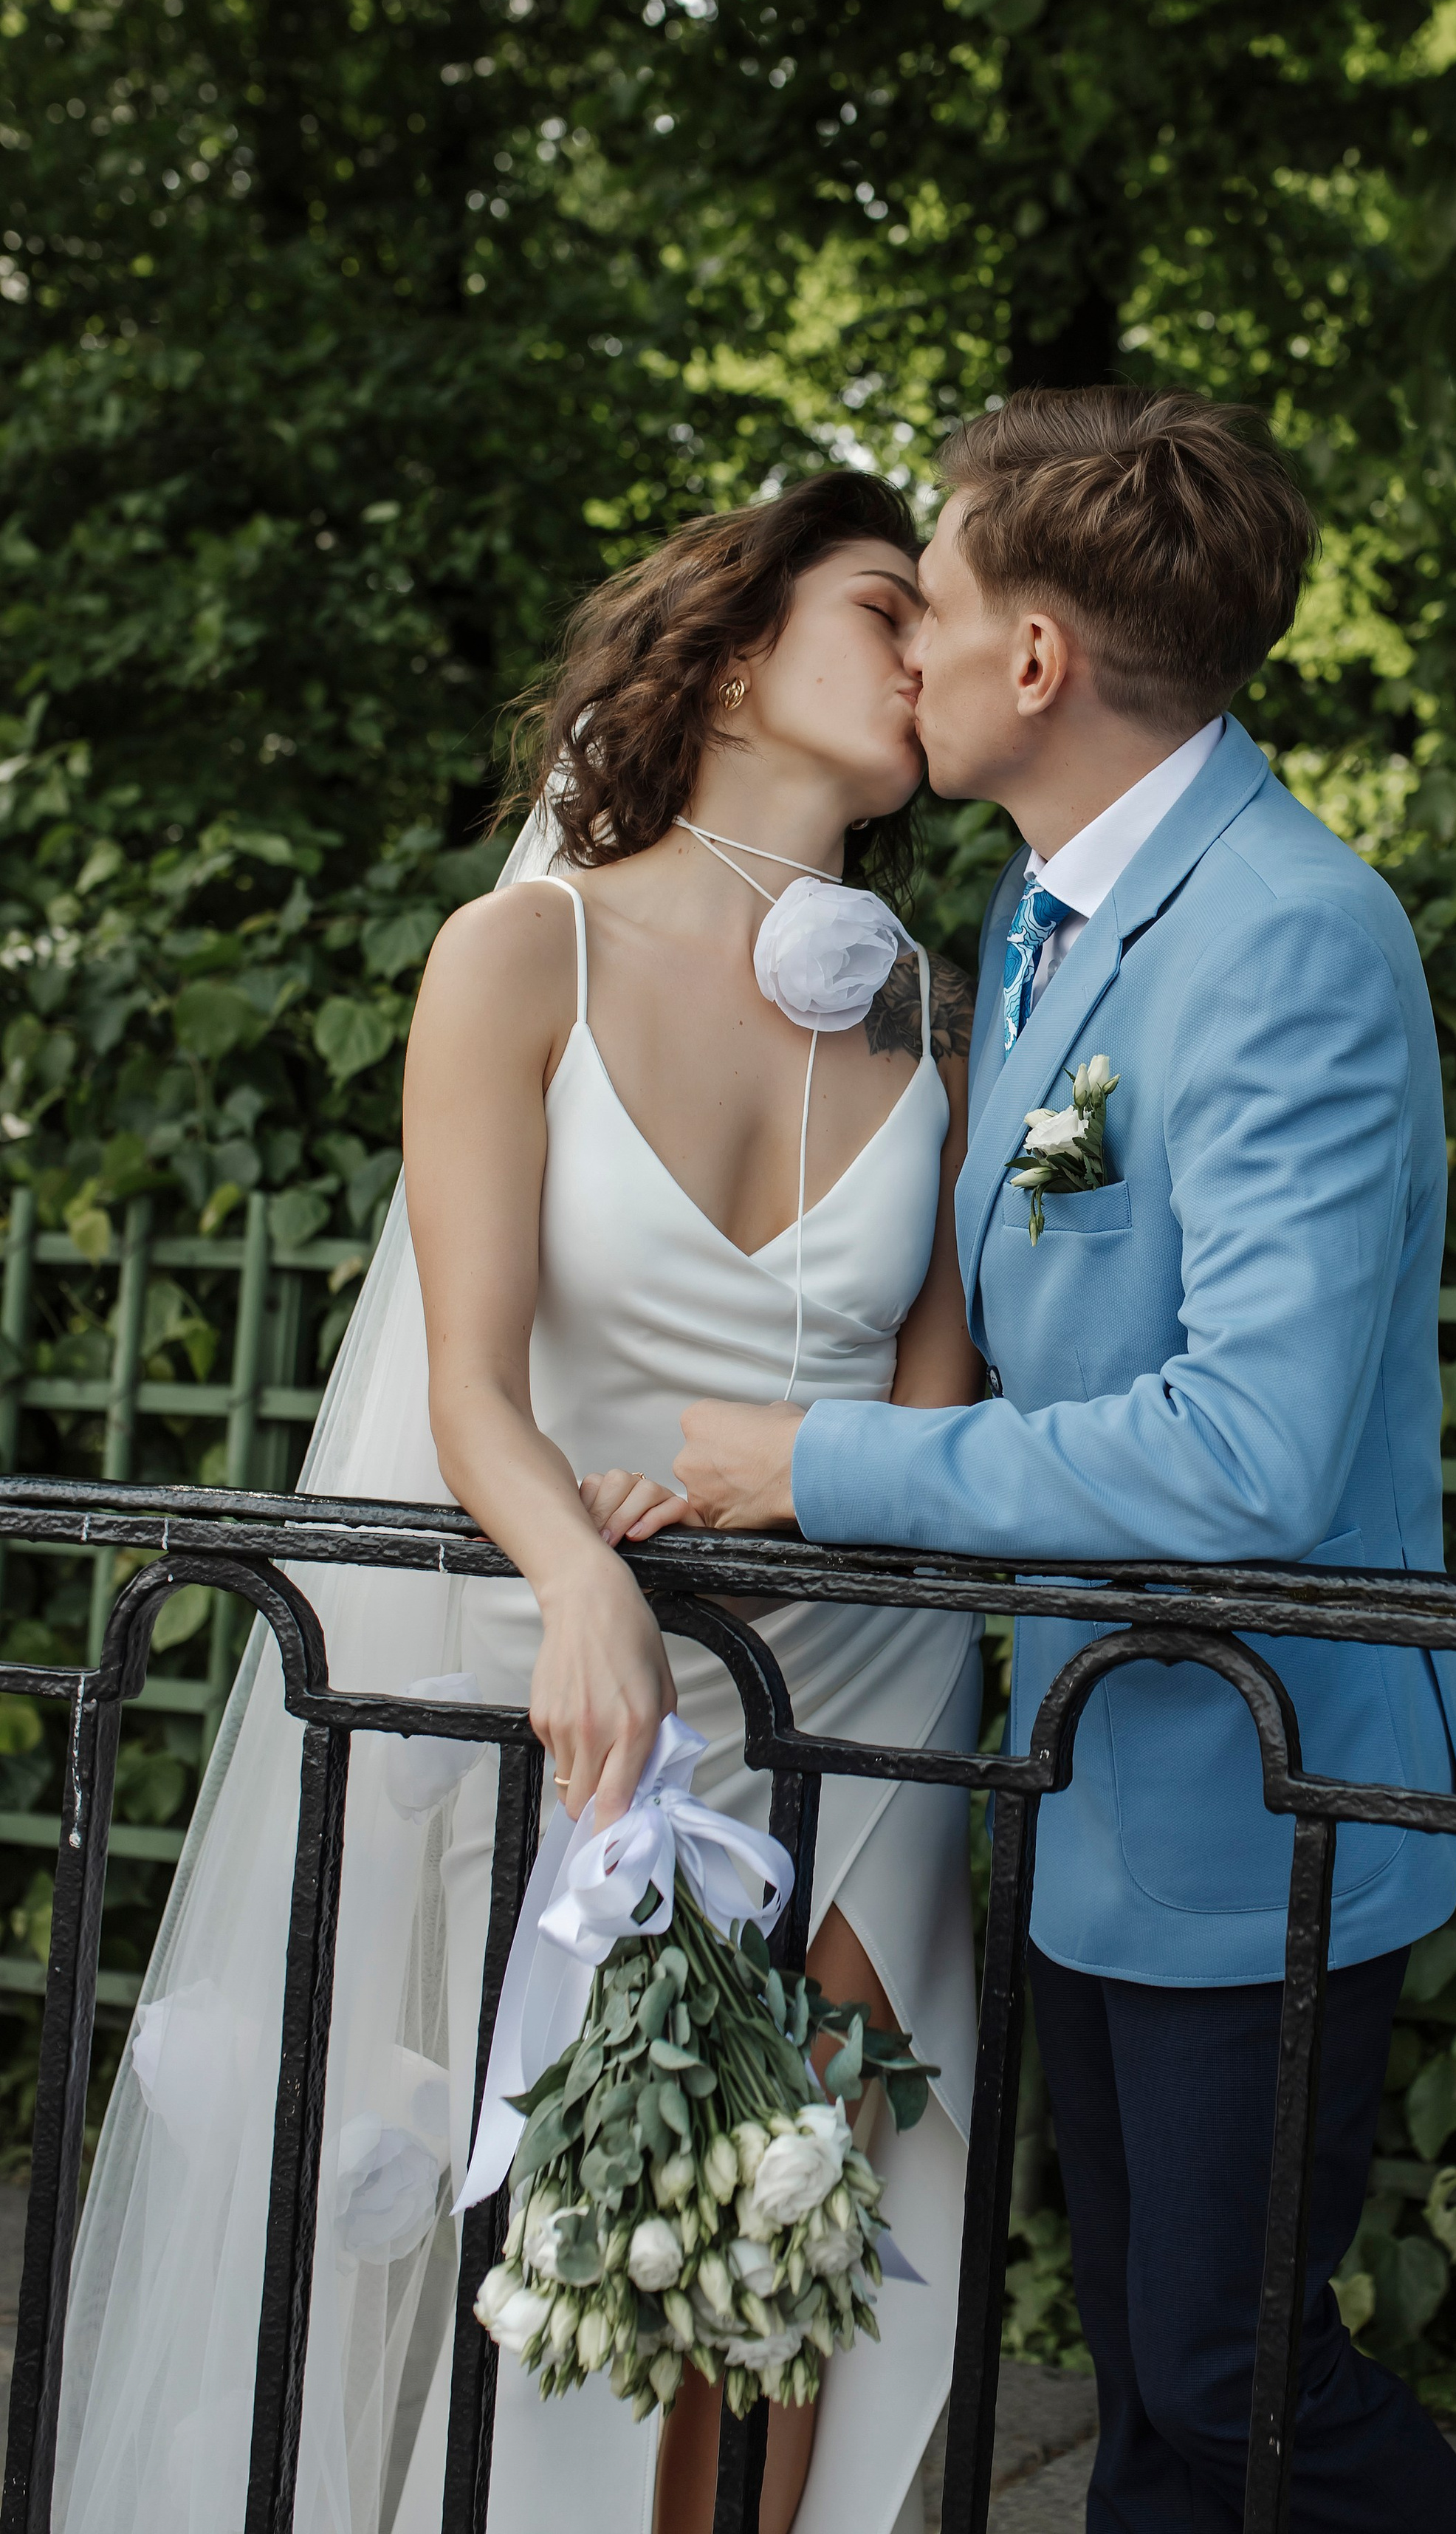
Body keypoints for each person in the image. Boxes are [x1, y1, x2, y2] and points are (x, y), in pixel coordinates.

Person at [52, 473, 984, 2534]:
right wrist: (577, 1571)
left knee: (803, 2229)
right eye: (880, 604)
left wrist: (800, 1505)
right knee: (557, 2249)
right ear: (739, 650)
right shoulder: (517, 953)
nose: (931, 645)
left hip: (870, 1676)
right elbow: (466, 1382)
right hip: (597, 1682)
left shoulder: (930, 1001)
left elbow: (936, 1405)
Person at [676, 388, 1456, 2534]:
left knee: (1238, 2381)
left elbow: (1247, 1458)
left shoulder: (1291, 934)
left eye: (933, 602)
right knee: (1153, 2391)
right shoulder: (1046, 925)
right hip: (1096, 1783)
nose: (913, 647)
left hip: (1268, 1809)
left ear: (1036, 661)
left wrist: (818, 1468)